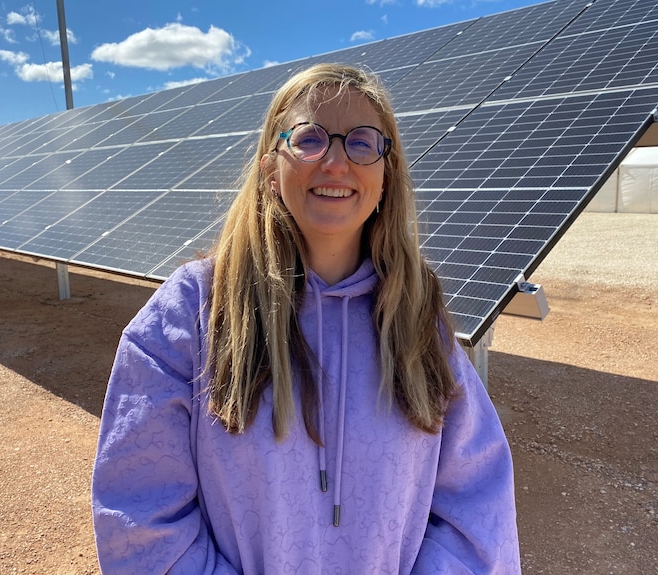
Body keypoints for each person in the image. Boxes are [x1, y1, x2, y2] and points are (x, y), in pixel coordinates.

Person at [91, 63, 521, 574]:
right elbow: (140, 512)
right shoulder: (193, 311)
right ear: (271, 169)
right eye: (310, 139)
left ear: (387, 175)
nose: (337, 162)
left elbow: (475, 505)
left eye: (362, 142)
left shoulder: (416, 321)